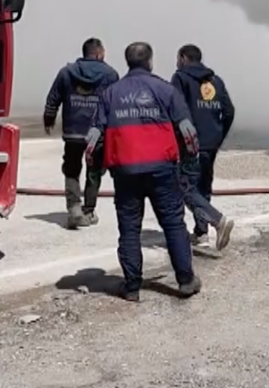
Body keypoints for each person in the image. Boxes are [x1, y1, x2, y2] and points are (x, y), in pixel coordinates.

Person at [84, 41, 202, 302]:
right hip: (162, 170)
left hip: (125, 172)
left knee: (129, 229)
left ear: (128, 62)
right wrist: (189, 162)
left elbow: (92, 138)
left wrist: (96, 168)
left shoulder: (110, 94)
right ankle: (185, 280)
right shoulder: (166, 90)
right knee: (173, 224)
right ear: (150, 61)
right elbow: (188, 132)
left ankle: (132, 287)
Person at [43, 37, 120, 229]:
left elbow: (53, 98)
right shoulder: (110, 74)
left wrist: (49, 119)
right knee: (94, 171)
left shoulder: (66, 72)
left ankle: (74, 209)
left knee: (71, 169)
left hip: (72, 133)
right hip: (97, 134)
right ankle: (88, 210)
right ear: (98, 53)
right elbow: (115, 105)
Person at [171, 44, 236, 250]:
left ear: (183, 58)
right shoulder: (216, 81)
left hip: (191, 143)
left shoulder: (180, 78)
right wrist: (218, 135)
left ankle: (217, 220)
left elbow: (176, 109)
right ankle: (201, 233)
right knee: (203, 186)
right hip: (211, 142)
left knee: (185, 187)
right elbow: (229, 111)